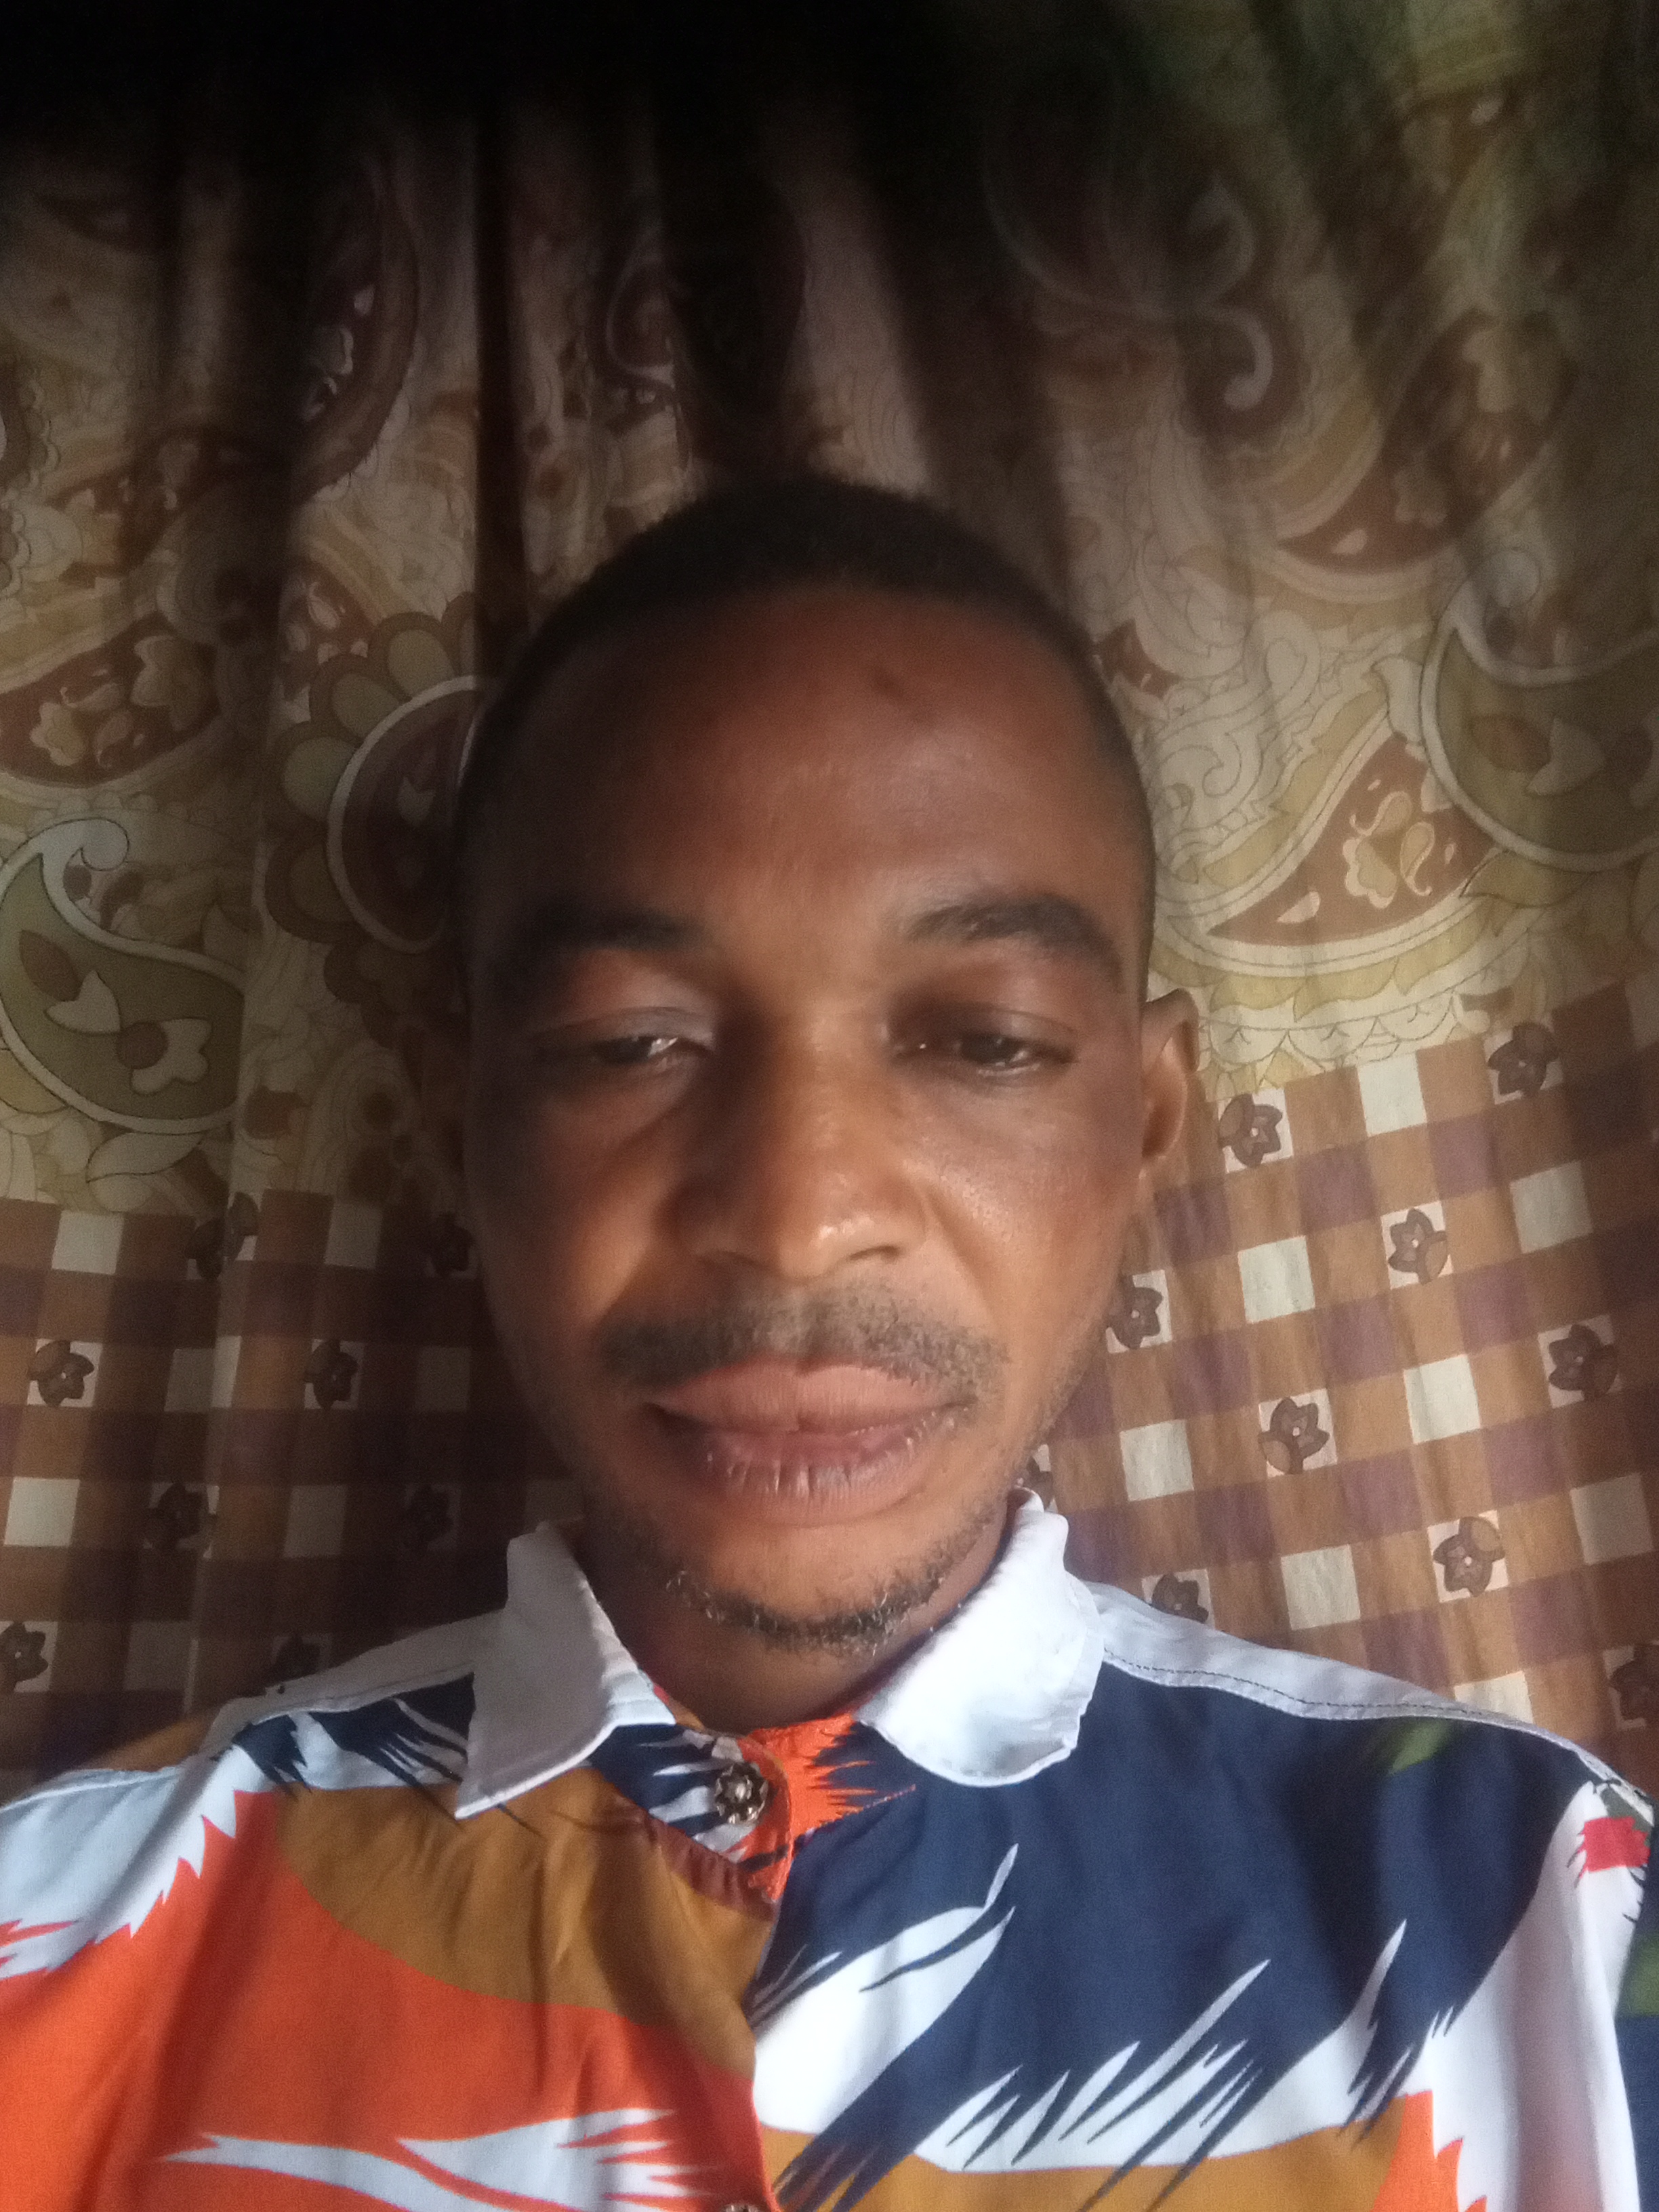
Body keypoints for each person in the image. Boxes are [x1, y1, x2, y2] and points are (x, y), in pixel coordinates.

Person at [0, 476, 1652, 2211]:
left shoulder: (1546, 1920)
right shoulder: (54, 1948)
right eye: (628, 1042)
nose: (798, 1215)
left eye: (985, 1041)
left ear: (1149, 1123)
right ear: (455, 1118)